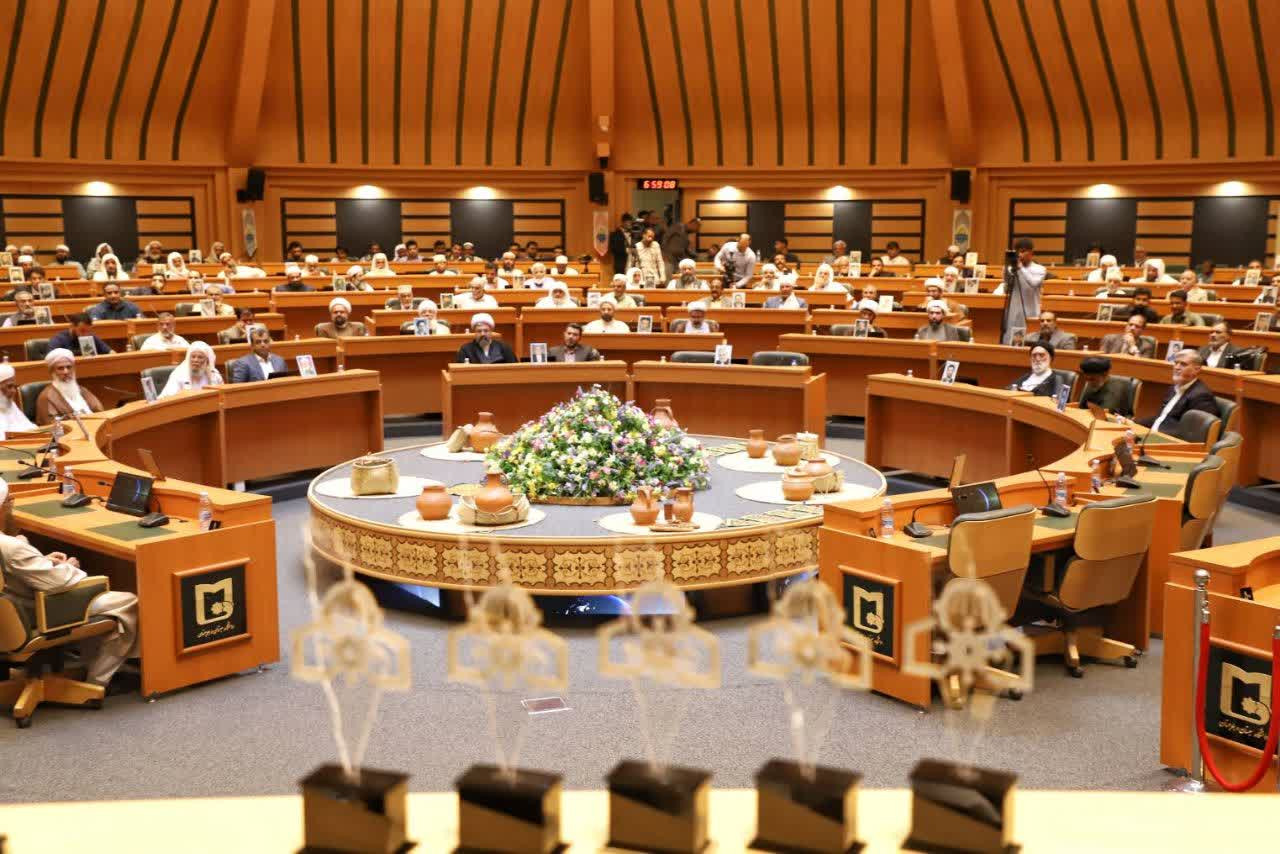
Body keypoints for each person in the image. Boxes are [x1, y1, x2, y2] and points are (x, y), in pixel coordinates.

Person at [0, 479, 139, 691]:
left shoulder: (10, 547)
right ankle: (96, 682)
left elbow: (11, 568)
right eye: (10, 500)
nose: (13, 504)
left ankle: (85, 664)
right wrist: (69, 566)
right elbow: (60, 582)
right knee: (127, 601)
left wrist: (41, 561)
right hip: (35, 614)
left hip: (9, 613)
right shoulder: (12, 547)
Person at [1137, 350, 1219, 436]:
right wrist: (1133, 424)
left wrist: (1153, 436)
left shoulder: (1201, 396)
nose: (1177, 367)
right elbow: (1161, 418)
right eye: (1176, 363)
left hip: (1168, 440)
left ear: (1196, 370)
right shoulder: (1173, 388)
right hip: (1155, 435)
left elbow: (1194, 433)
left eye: (1183, 364)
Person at [36, 349, 104, 423]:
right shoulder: (46, 397)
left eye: (69, 367)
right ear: (52, 371)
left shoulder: (81, 389)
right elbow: (53, 425)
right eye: (60, 368)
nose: (66, 372)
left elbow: (100, 411)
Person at [1003, 237, 1045, 344]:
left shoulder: (1040, 269)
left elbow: (1033, 283)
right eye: (1017, 252)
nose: (1019, 255)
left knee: (1030, 341)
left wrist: (1021, 268)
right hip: (1013, 311)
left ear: (1032, 252)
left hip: (1031, 311)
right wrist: (1007, 267)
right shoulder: (1011, 268)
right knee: (1010, 341)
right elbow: (1006, 286)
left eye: (1022, 251)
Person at [159, 341, 223, 398]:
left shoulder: (214, 375)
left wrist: (211, 380)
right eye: (193, 357)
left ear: (207, 361)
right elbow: (168, 397)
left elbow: (222, 397)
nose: (195, 360)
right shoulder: (178, 374)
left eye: (200, 357)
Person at [0, 363, 38, 433]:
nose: (14, 391)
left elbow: (31, 428)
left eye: (14, 387)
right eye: (9, 386)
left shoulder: (10, 405)